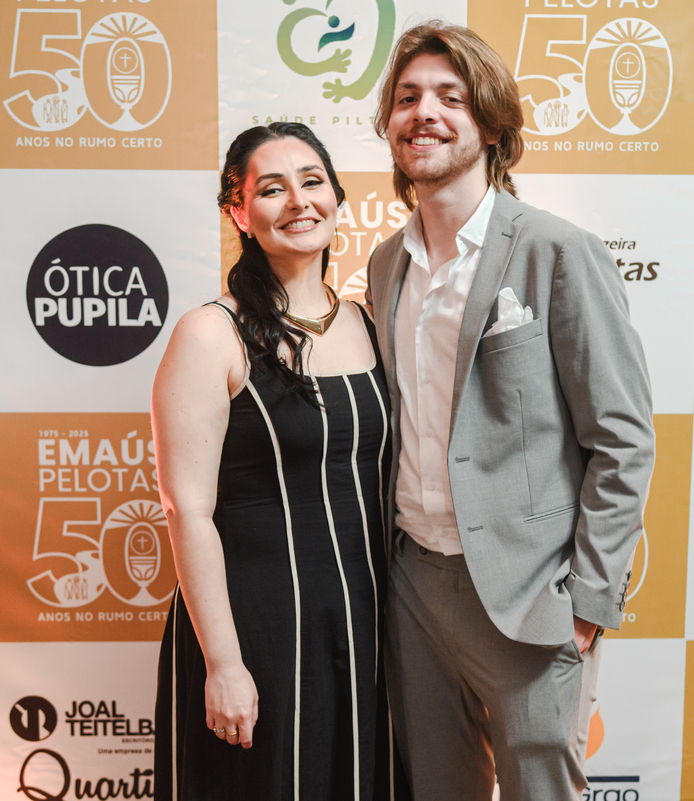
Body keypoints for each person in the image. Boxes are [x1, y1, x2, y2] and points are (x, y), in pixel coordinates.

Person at [365, 22, 656, 800]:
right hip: (414, 589)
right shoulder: (386, 263)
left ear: (491, 125)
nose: (424, 113)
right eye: (407, 98)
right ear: (390, 125)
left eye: (449, 97)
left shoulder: (557, 251)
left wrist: (588, 600)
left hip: (532, 596)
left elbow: (623, 438)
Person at [152, 122, 394, 801]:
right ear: (239, 213)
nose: (298, 201)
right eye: (271, 189)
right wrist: (223, 663)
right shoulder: (210, 333)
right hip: (255, 630)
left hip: (368, 626)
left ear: (337, 198)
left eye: (312, 182)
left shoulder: (372, 322)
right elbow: (186, 510)